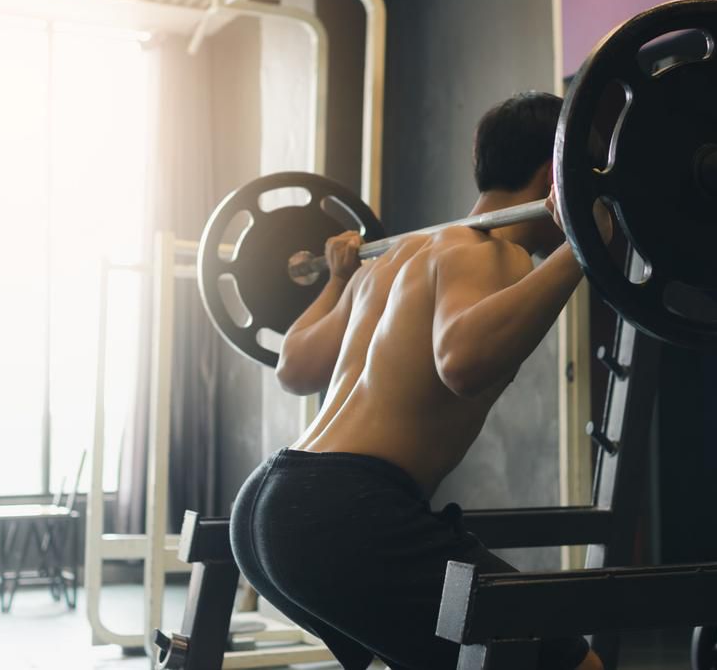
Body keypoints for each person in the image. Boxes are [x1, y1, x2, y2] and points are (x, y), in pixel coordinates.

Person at [230, 91, 605, 670]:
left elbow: (295, 365)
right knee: (571, 663)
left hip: (270, 502)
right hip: (346, 510)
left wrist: (336, 279)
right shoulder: (490, 254)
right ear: (554, 173)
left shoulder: (392, 260)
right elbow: (461, 361)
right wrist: (585, 245)